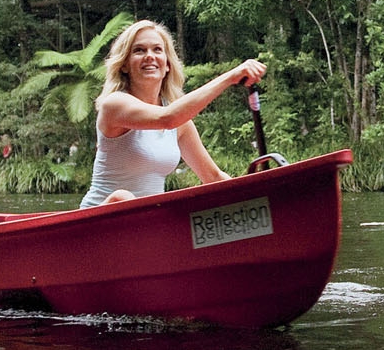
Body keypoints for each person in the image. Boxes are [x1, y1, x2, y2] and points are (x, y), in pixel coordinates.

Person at [79, 19, 266, 208]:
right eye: (139, 50)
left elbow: (213, 177)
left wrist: (258, 200)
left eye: (157, 50)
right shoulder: (114, 104)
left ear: (167, 64)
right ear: (124, 65)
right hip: (99, 217)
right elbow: (167, 118)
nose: (149, 56)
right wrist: (231, 77)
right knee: (123, 196)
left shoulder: (180, 123)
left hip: (148, 219)